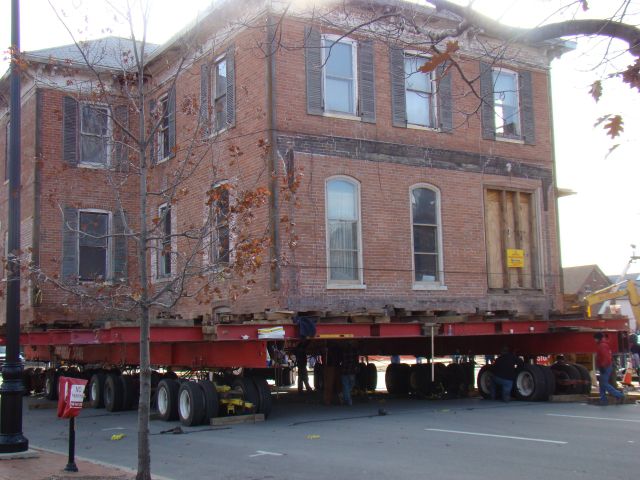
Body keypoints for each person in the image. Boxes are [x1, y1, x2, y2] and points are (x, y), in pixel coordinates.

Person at [594, 332, 625, 405]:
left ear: (598, 338)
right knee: (602, 384)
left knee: (604, 383)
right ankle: (603, 400)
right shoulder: (603, 344)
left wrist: (602, 366)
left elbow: (605, 357)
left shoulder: (602, 345)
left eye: (595, 338)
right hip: (606, 366)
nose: (594, 340)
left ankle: (619, 395)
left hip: (605, 366)